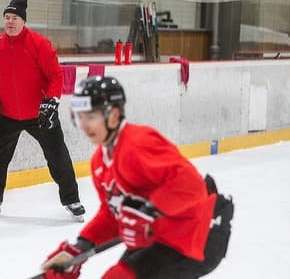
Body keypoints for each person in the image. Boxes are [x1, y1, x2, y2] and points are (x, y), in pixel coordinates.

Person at [41, 75, 234, 279]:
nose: (84, 125)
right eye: (80, 117)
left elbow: (191, 185)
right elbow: (112, 212)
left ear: (114, 115)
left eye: (91, 117)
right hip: (161, 235)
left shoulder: (138, 144)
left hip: (198, 231)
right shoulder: (100, 161)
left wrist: (148, 211)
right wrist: (80, 247)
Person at [0, 0, 85, 219]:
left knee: (57, 155)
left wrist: (51, 102)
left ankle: (72, 199)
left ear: (23, 21)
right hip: (6, 113)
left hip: (38, 114)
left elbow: (55, 77)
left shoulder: (39, 44)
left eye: (14, 18)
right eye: (6, 18)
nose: (10, 22)